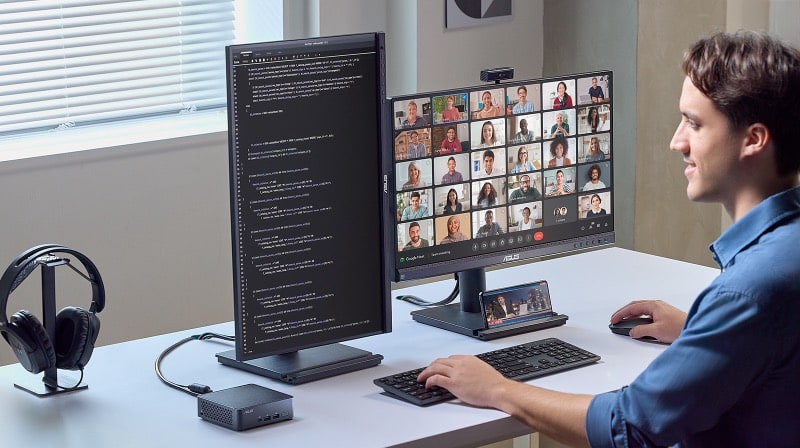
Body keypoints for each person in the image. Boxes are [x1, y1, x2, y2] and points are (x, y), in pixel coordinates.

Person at [418, 31, 800, 447]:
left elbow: (629, 427)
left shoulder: (748, 293)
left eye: (694, 123)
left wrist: (497, 389)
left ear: (754, 139)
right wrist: (700, 333)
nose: (677, 142)